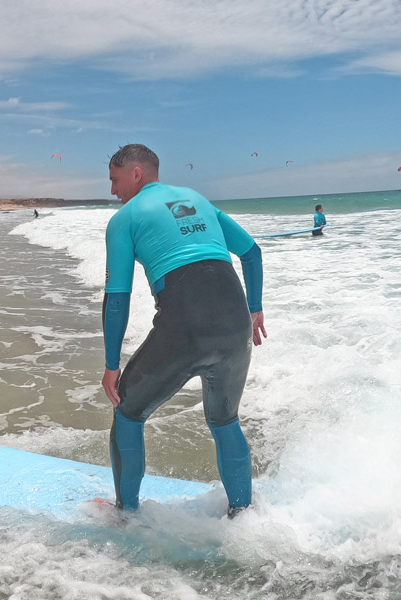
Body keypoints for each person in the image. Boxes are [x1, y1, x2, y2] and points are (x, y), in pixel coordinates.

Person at [102, 144, 266, 518]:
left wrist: (112, 364)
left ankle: (125, 515)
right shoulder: (197, 199)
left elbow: (116, 298)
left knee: (128, 412)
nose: (113, 191)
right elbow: (252, 252)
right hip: (235, 323)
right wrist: (254, 309)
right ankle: (243, 517)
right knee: (224, 419)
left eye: (114, 180)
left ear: (136, 174)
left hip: (185, 326)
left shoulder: (124, 219)